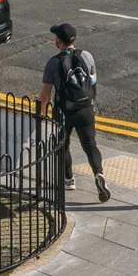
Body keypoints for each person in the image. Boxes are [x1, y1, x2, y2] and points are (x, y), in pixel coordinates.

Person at [39, 22, 111, 202]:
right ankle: (99, 174)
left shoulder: (54, 63)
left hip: (64, 111)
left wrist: (42, 114)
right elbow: (93, 81)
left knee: (63, 144)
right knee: (90, 145)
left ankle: (68, 179)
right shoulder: (86, 56)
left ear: (58, 41)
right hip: (86, 108)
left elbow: (46, 93)